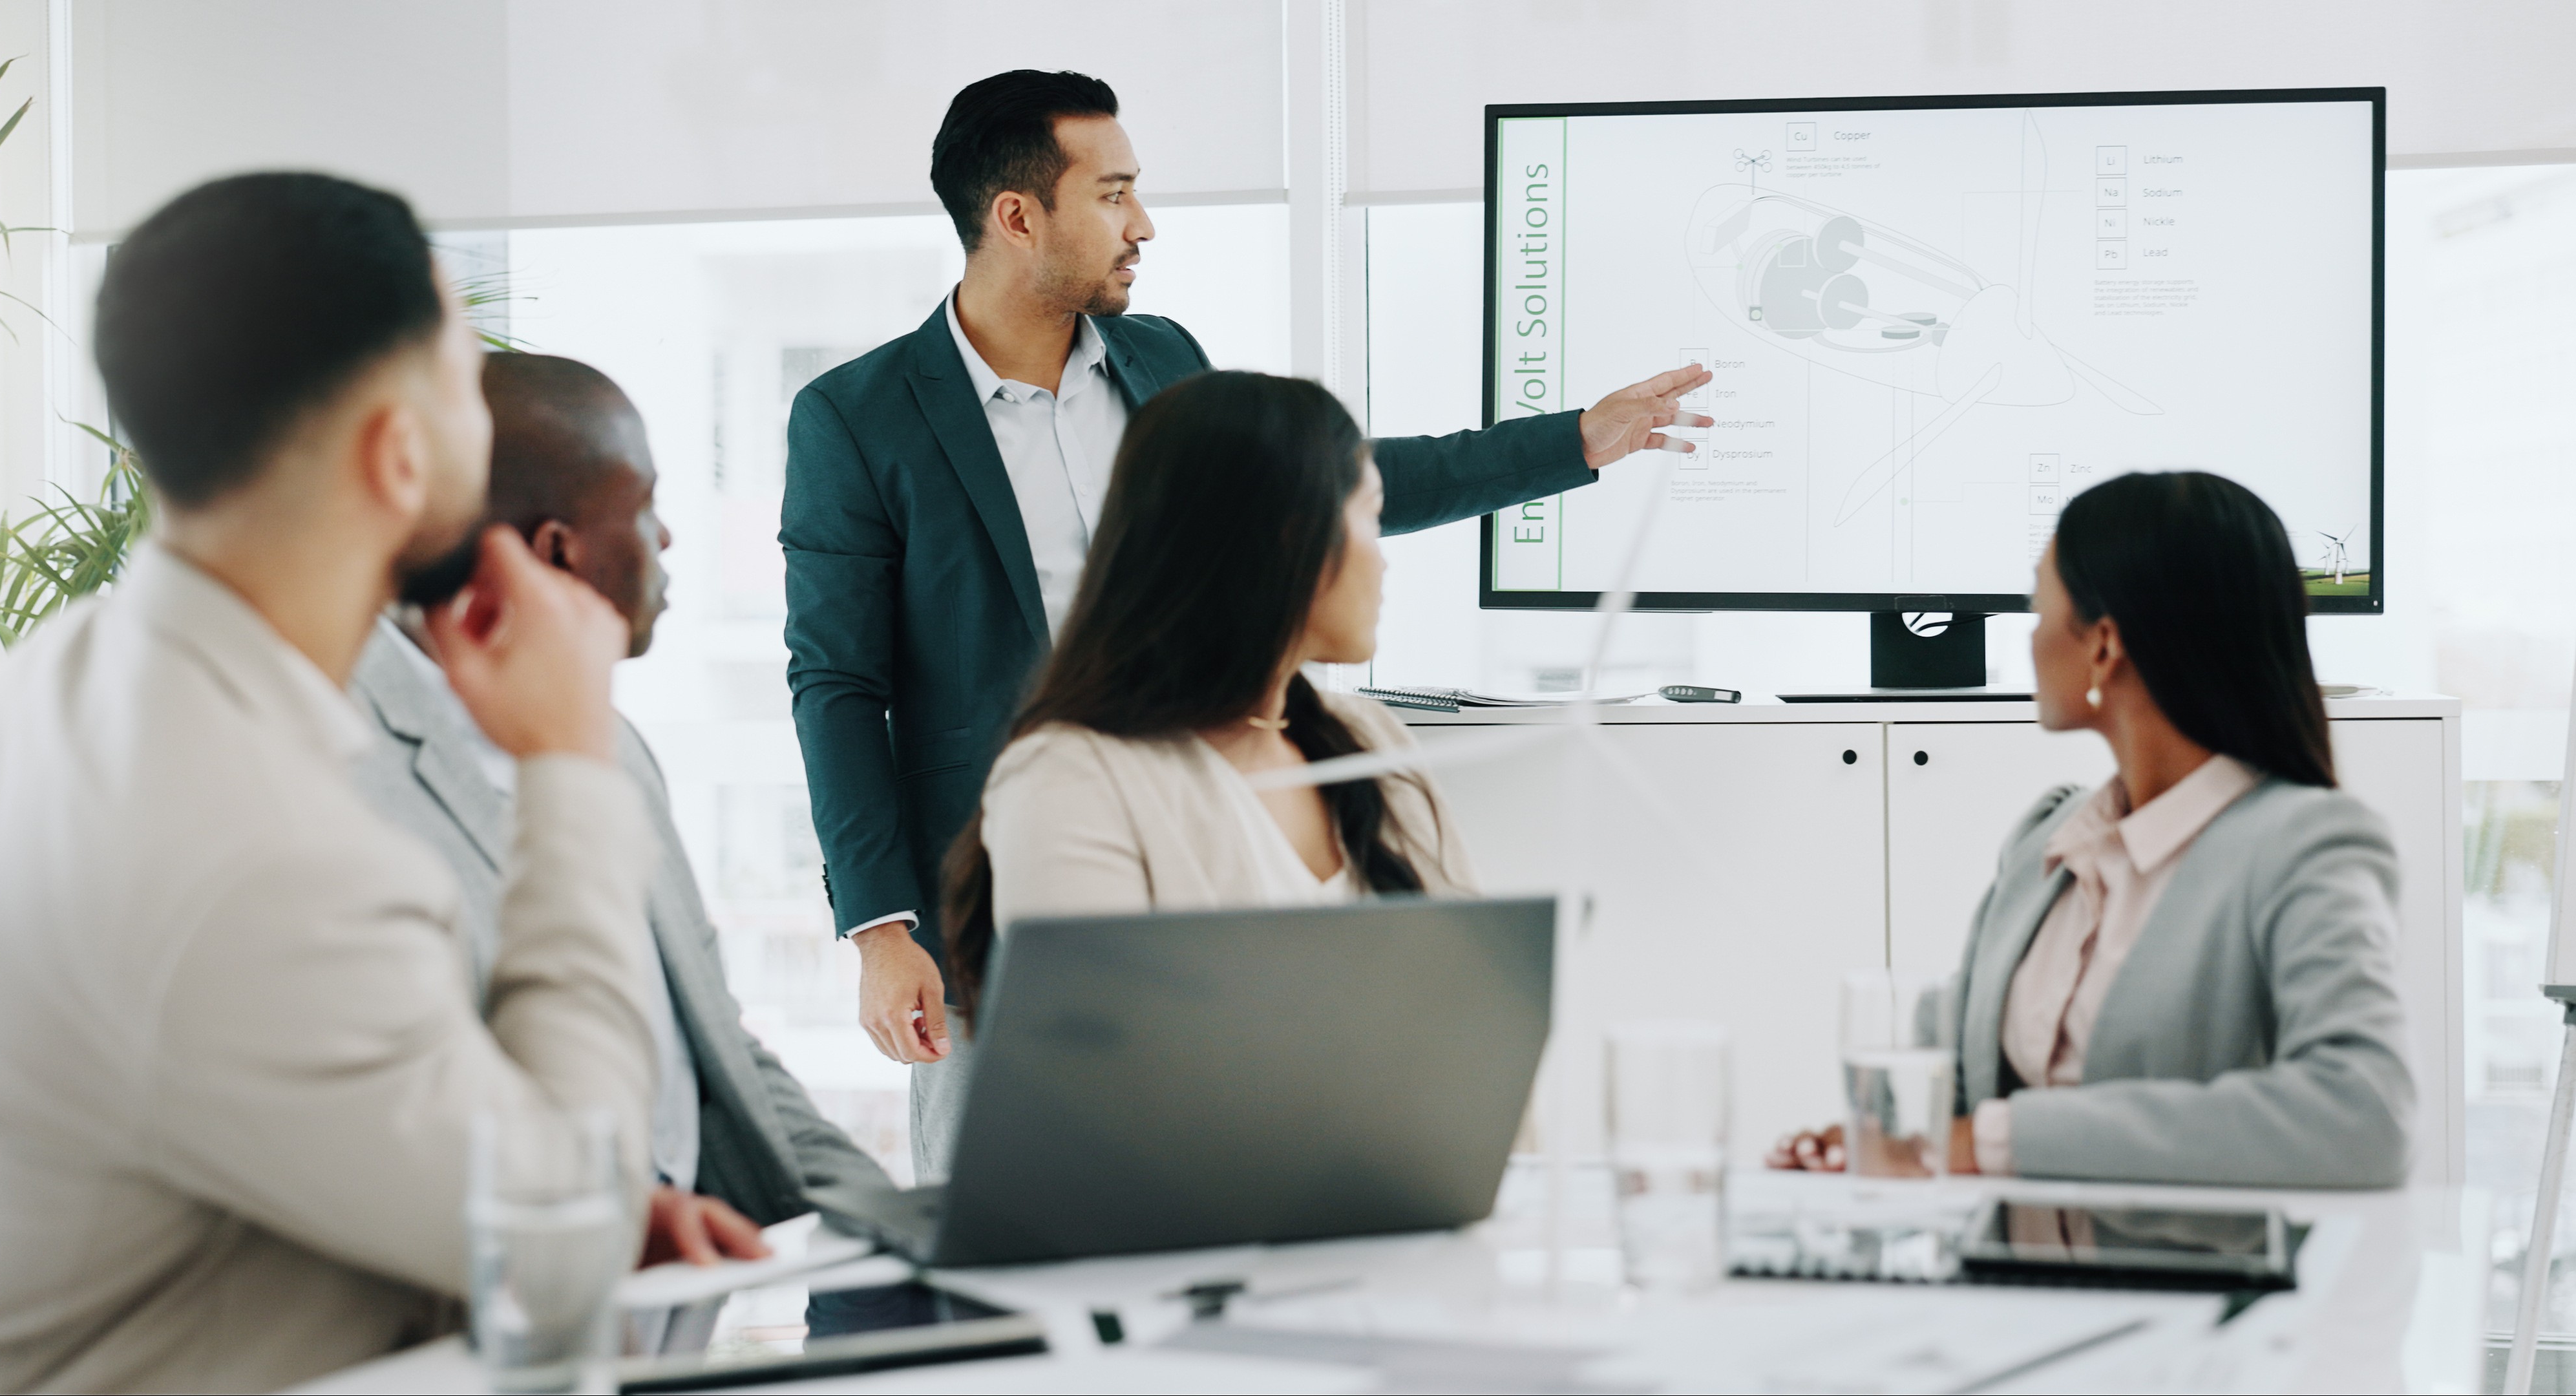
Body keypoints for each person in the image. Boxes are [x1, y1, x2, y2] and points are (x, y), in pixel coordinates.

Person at [784, 69, 1705, 1172]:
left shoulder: (1161, 360)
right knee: (1029, 1187)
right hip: (1006, 864)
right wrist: (881, 928)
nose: (1144, 225)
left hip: (1215, 817)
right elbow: (838, 683)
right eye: (1114, 194)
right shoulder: (856, 416)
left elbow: (1324, 488)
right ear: (1017, 216)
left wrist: (1572, 443)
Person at [0, 173, 667, 1391]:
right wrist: (570, 760)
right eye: (464, 363)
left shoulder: (54, 681)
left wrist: (549, 1180)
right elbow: (562, 1250)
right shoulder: (249, 853)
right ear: (399, 452)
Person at [350, 353, 891, 1288]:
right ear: (555, 552)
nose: (669, 536)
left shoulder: (616, 744)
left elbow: (715, 1052)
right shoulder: (343, 765)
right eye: (643, 504)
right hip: (520, 1295)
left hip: (697, 1286)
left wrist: (896, 1221)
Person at [1770, 471, 2412, 1188]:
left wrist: (1990, 1142)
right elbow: (1953, 1080)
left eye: (2037, 606)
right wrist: (1872, 1142)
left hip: (2198, 1290)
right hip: (2009, 1287)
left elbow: (2361, 1120)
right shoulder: (2048, 839)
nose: (2030, 636)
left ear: (2103, 645)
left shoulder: (2305, 846)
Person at [922, 370, 1478, 1154]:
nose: (1383, 562)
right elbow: (1103, 1100)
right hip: (1191, 1257)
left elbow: (1476, 1032)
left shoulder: (1371, 742)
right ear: (1287, 537)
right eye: (1371, 518)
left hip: (1406, 1227)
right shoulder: (1070, 779)